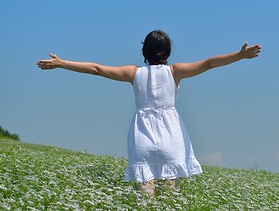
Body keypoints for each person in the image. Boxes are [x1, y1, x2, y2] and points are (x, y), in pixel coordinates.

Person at [37, 30, 262, 196]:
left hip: (142, 135)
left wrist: (62, 63)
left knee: (145, 195)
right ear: (168, 52)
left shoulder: (133, 73)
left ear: (144, 51)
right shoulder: (175, 71)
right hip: (171, 136)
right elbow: (209, 63)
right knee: (170, 195)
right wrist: (239, 56)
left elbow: (97, 69)